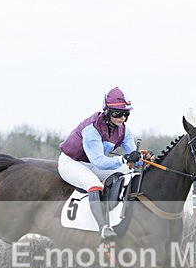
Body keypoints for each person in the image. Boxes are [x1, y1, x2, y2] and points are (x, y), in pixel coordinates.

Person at [58, 87, 142, 244]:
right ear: (107, 111)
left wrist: (144, 157)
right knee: (93, 183)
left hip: (91, 163)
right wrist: (125, 159)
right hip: (72, 163)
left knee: (128, 171)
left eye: (126, 114)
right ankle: (103, 227)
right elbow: (99, 162)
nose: (122, 118)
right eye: (118, 113)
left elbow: (135, 160)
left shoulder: (124, 130)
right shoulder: (92, 128)